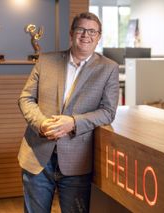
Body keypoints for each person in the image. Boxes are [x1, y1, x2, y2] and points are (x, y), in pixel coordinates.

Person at [18, 12, 120, 213]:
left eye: (92, 31)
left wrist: (73, 122)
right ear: (71, 33)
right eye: (81, 29)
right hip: (38, 156)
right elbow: (25, 98)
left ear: (99, 36)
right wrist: (41, 123)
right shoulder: (46, 60)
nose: (86, 35)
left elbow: (108, 112)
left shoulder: (109, 68)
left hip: (77, 161)